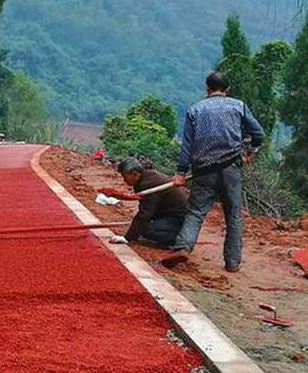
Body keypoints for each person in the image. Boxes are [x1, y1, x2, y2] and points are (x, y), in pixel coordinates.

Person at [169, 71, 266, 272]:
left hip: (203, 170)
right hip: (231, 167)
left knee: (195, 211)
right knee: (234, 214)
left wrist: (180, 172)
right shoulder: (238, 106)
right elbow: (259, 134)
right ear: (227, 89)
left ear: (207, 88)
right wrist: (250, 151)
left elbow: (187, 145)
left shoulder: (195, 110)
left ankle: (183, 247)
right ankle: (232, 263)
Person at [99, 157, 188, 246]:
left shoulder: (148, 184)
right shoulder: (147, 177)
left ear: (135, 174)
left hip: (177, 217)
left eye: (125, 177)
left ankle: (177, 238)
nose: (124, 180)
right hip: (168, 213)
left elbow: (144, 214)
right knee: (141, 226)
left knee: (145, 229)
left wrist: (127, 237)